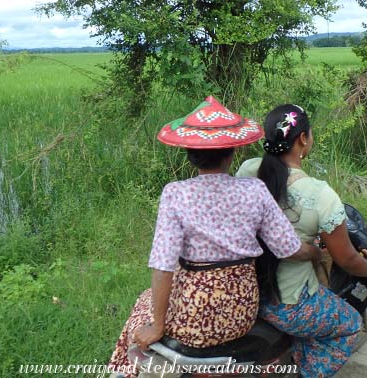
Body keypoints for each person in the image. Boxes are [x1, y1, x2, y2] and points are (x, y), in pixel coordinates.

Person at [108, 97, 321, 377]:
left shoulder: (176, 193)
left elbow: (163, 264)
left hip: (192, 314)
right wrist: (316, 252)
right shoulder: (254, 189)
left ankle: (122, 373)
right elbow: (289, 248)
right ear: (231, 153)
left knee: (142, 306)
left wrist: (157, 325)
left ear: (189, 152)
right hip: (240, 310)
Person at [236, 104, 367, 378]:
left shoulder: (249, 170)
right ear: (303, 139)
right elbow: (348, 260)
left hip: (246, 288)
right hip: (288, 304)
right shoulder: (319, 194)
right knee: (350, 323)